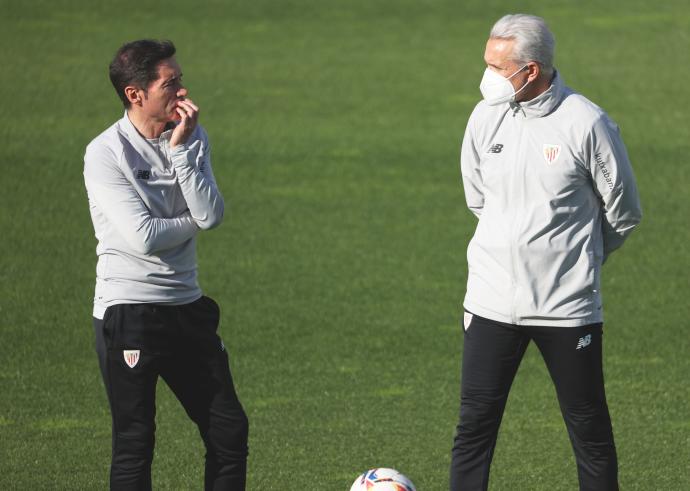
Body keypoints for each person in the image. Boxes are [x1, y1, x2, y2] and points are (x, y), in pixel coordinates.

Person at [449, 14, 642, 491]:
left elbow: (623, 212)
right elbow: (478, 198)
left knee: (590, 434)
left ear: (530, 70)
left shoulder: (587, 123)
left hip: (566, 310)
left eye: (498, 67)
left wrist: (577, 263)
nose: (488, 76)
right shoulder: (484, 116)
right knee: (473, 430)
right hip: (491, 305)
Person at [83, 39, 248, 490]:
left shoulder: (192, 137)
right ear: (136, 94)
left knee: (228, 429)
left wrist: (180, 152)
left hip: (187, 307)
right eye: (170, 82)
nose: (182, 89)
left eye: (179, 79)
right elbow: (145, 238)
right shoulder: (105, 153)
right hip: (129, 313)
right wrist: (191, 219)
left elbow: (210, 215)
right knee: (136, 442)